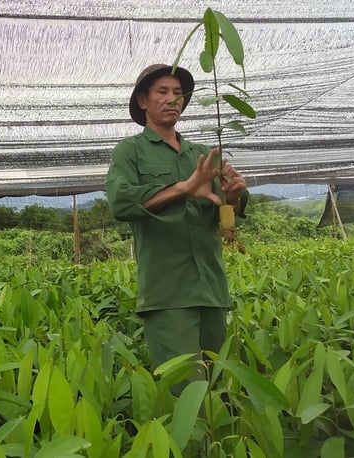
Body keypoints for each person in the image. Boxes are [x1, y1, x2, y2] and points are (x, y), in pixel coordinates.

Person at [105, 63, 248, 393]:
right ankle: (189, 446)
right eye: (163, 92)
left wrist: (235, 195)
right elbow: (122, 202)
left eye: (178, 93)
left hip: (211, 288)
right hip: (168, 293)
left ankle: (217, 446)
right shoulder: (131, 152)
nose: (173, 99)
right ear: (143, 101)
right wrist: (185, 188)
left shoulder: (200, 154)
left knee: (216, 387)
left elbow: (224, 209)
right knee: (186, 390)